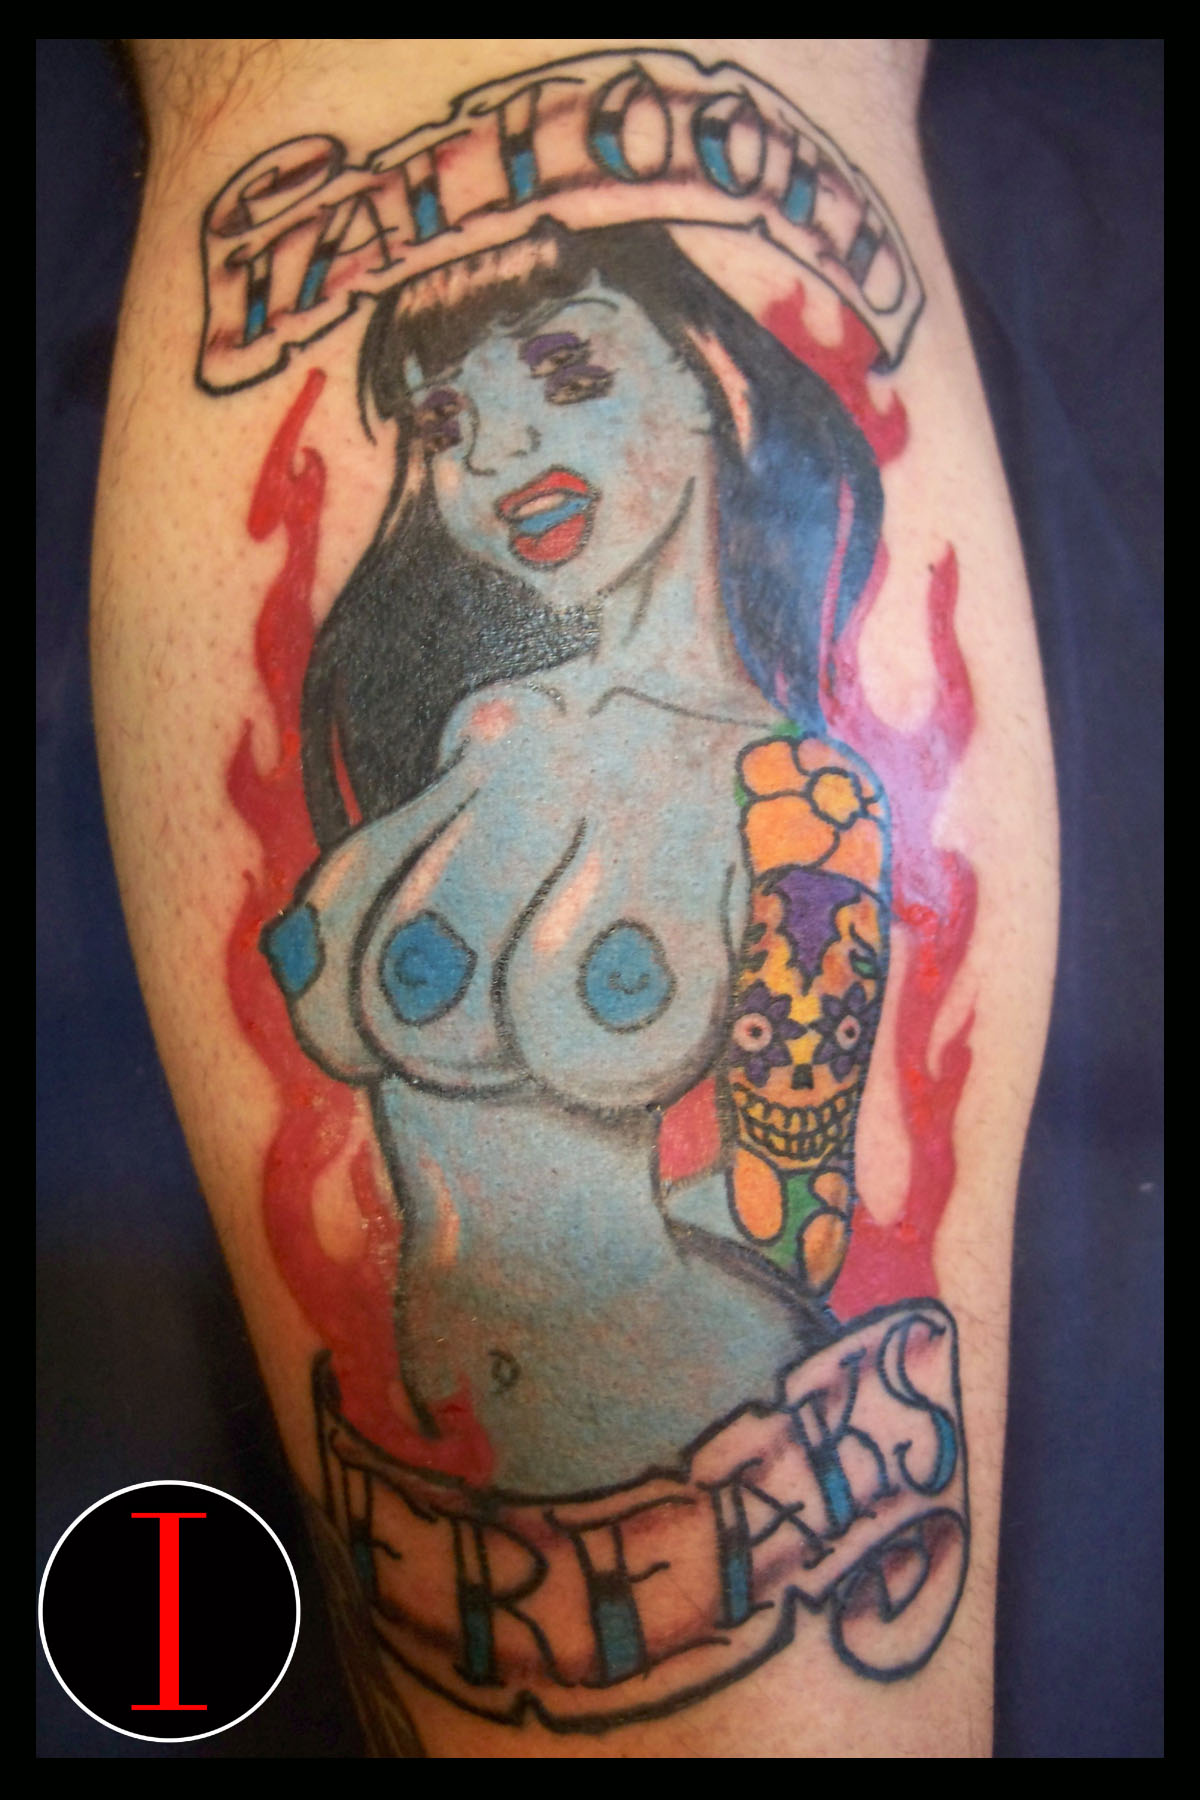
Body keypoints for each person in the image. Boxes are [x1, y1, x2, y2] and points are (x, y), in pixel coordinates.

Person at [262, 221, 890, 1493]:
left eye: (567, 374)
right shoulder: (481, 726)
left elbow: (791, 1222)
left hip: (689, 1446)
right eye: (446, 422)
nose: (497, 454)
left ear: (705, 380)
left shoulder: (803, 802)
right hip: (440, 1484)